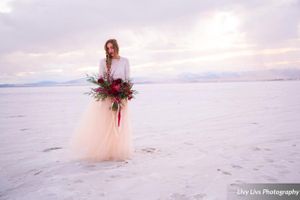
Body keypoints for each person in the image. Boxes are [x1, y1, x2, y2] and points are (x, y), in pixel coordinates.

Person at [68, 39, 134, 162]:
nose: (110, 51)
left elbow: (127, 79)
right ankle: (105, 151)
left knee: (119, 124)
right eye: (108, 48)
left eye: (112, 48)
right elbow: (101, 79)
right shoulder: (103, 62)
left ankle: (117, 150)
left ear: (117, 47)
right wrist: (110, 90)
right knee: (106, 124)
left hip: (121, 97)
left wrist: (123, 92)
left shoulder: (125, 61)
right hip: (108, 97)